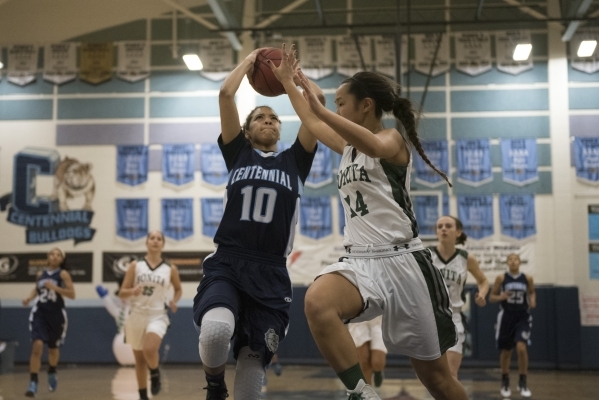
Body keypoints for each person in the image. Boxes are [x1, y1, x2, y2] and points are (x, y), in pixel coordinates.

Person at [269, 44, 468, 400]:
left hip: (404, 262)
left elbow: (373, 146)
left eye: (341, 102)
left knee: (436, 379)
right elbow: (312, 121)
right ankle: (361, 392)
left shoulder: (390, 139)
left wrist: (318, 107)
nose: (336, 108)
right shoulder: (348, 149)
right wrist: (288, 82)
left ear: (366, 105)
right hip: (361, 261)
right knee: (317, 301)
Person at [192, 47, 324, 400]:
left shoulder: (295, 162)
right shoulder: (238, 153)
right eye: (260, 118)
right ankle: (215, 385)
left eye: (274, 119)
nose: (268, 121)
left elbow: (318, 104)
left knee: (251, 378)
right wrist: (250, 60)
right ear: (247, 131)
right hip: (229, 262)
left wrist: (294, 80)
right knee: (216, 333)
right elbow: (225, 94)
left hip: (271, 271)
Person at [119, 230, 182, 400]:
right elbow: (122, 292)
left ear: (163, 244)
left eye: (159, 238)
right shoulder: (135, 265)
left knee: (149, 349)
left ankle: (154, 372)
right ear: (147, 242)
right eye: (152, 238)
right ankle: (143, 396)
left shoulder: (170, 268)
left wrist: (174, 300)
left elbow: (178, 289)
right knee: (139, 361)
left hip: (158, 314)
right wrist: (132, 290)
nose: (155, 241)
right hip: (136, 315)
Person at [430, 215, 489, 379]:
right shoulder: (427, 256)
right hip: (429, 317)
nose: (443, 229)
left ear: (458, 232)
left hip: (453, 316)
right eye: (440, 226)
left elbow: (483, 281)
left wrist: (482, 294)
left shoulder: (466, 258)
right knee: (433, 376)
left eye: (448, 226)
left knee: (450, 374)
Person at [22, 247, 75, 397]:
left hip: (57, 315)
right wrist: (29, 298)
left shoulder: (63, 274)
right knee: (37, 346)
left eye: (58, 255)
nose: (55, 256)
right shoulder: (40, 274)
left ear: (62, 259)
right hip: (40, 313)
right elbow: (36, 289)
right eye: (52, 254)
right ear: (48, 257)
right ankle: (33, 382)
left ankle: (52, 371)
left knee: (53, 349)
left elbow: (72, 294)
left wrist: (56, 288)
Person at [489, 253, 536, 398]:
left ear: (520, 262)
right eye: (510, 259)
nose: (513, 261)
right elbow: (491, 297)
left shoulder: (527, 278)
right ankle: (505, 380)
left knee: (521, 348)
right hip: (507, 316)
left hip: (522, 316)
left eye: (516, 259)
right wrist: (501, 297)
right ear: (507, 262)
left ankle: (522, 382)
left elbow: (532, 292)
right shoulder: (501, 278)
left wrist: (533, 301)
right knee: (507, 351)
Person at [348, 316, 387, 388]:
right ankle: (368, 393)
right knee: (363, 362)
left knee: (377, 362)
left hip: (378, 316)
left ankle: (378, 371)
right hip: (357, 318)